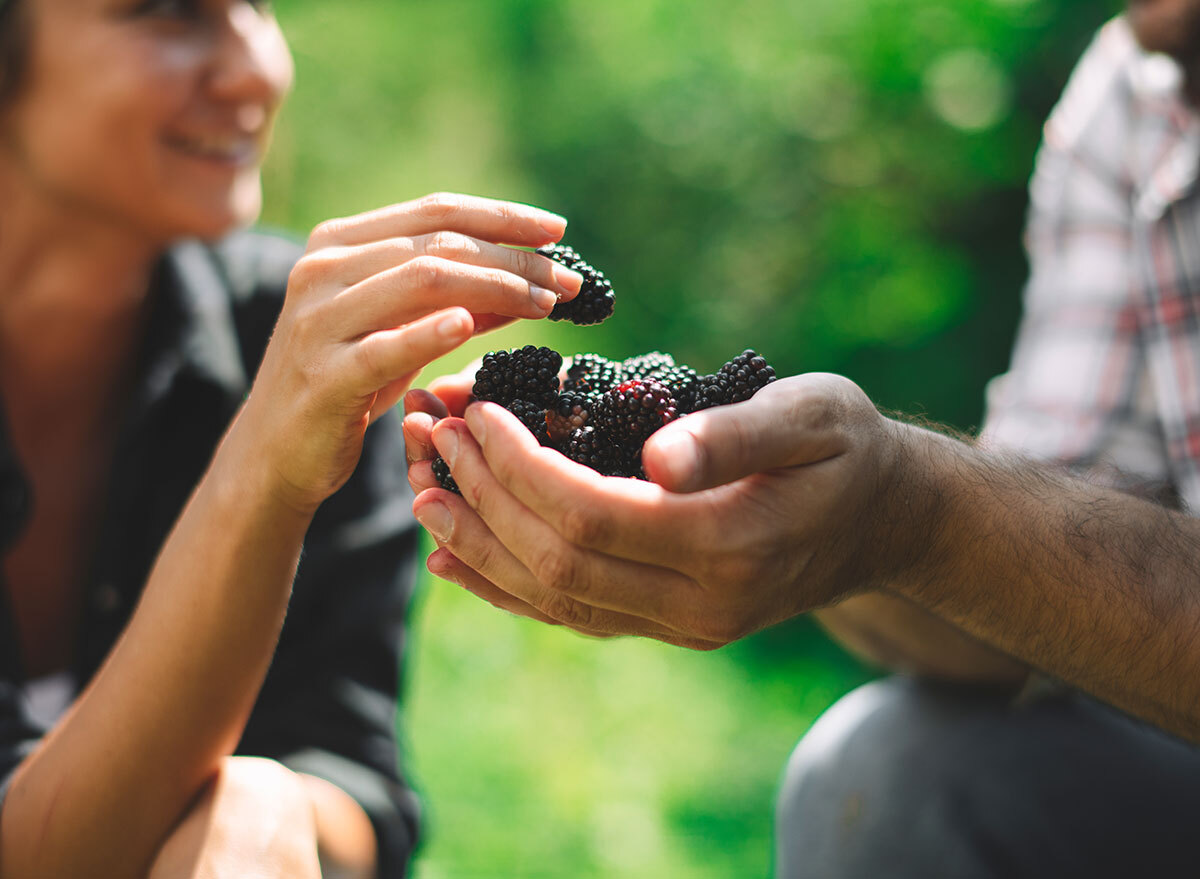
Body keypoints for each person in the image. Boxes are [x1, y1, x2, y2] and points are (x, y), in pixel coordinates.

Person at [403, 1, 1200, 875]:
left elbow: (968, 526)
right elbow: (1061, 574)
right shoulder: (1135, 89)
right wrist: (830, 535)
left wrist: (921, 510)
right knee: (883, 769)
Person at [0, 1, 585, 877]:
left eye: (259, 5)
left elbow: (352, 772)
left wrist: (269, 807)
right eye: (168, 12)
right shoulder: (295, 382)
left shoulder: (294, 341)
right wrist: (260, 476)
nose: (257, 69)